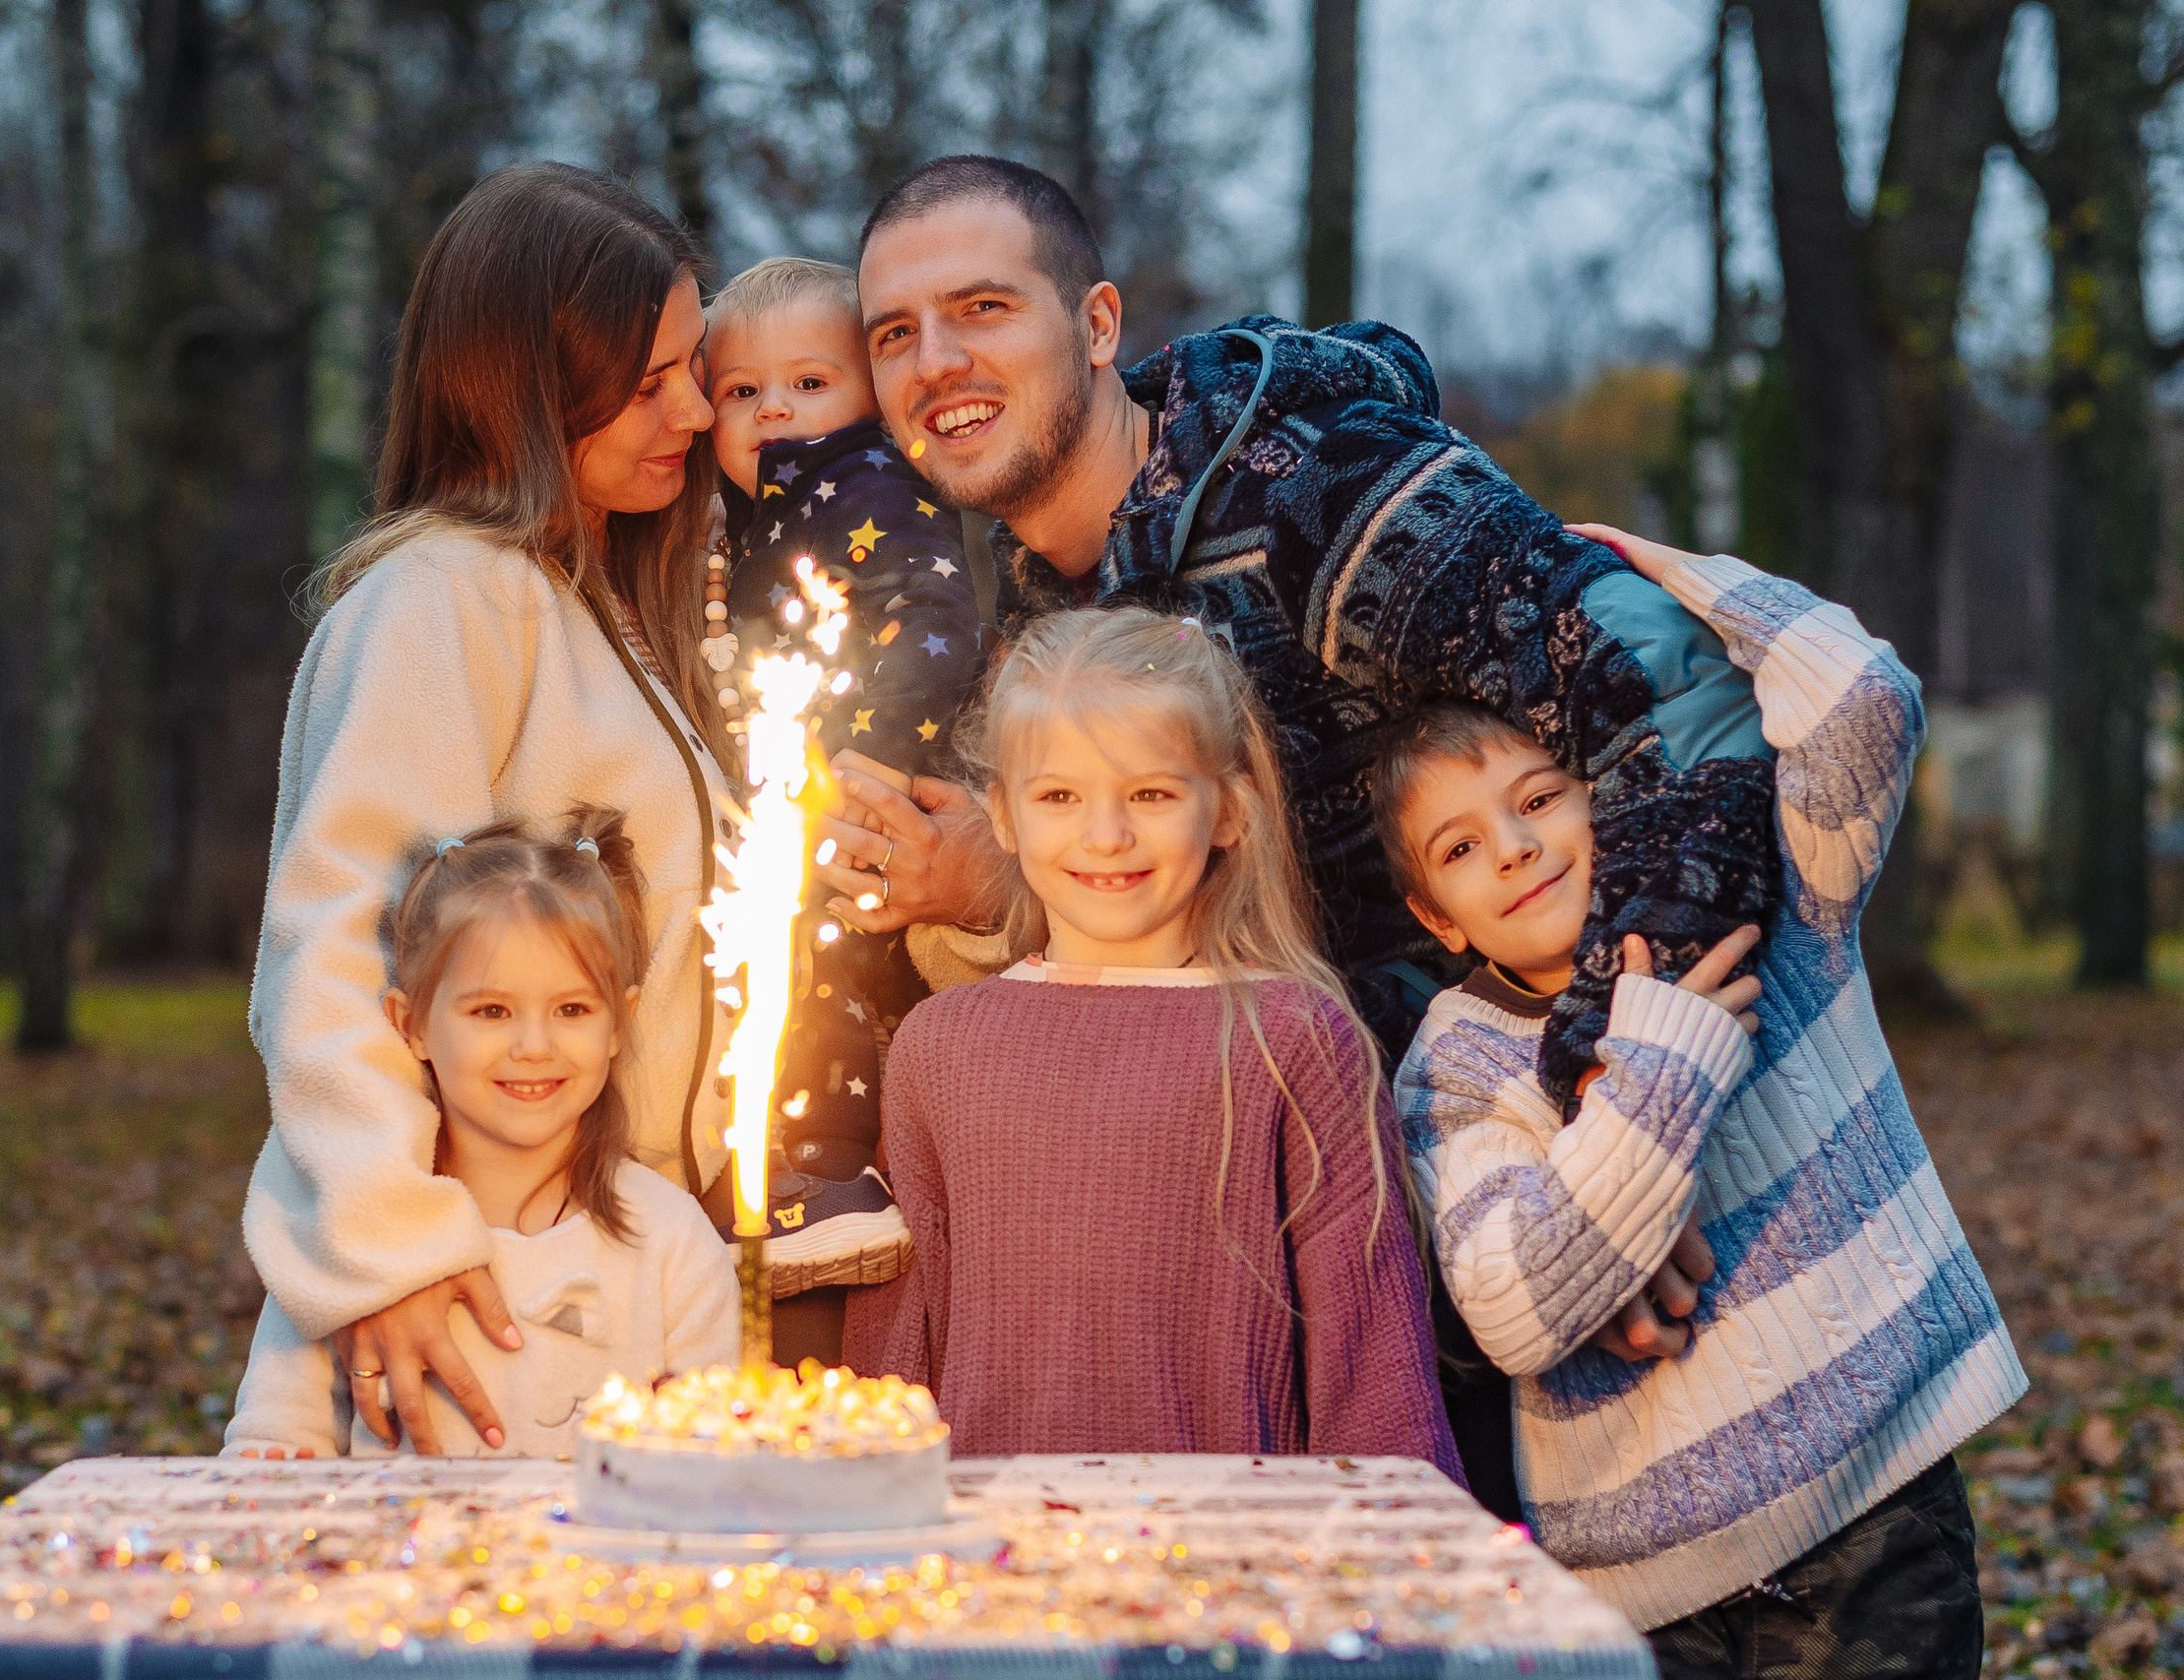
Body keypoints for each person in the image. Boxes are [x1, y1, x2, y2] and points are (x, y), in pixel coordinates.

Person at [819, 154, 1782, 1519]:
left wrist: (1607, 1105)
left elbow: (1671, 705)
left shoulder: (1317, 499)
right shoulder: (1036, 613)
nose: (934, 361)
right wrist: (993, 890)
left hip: (1612, 1228)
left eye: (981, 307)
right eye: (893, 333)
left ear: (1096, 326)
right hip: (1376, 1258)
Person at [1384, 526, 2025, 1676]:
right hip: (1648, 1589)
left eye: (1541, 796)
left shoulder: (1766, 889)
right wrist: (1666, 1050)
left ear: (1606, 787)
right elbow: (1518, 1304)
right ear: (1438, 918)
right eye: (1463, 846)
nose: (1519, 848)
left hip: (1872, 1512)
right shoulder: (1453, 1064)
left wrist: (1663, 579)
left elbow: (1863, 700)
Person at [241, 161, 741, 1457]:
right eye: (649, 382)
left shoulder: (603, 605)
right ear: (528, 391)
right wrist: (390, 1244)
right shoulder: (446, 602)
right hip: (479, 1302)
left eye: (694, 363)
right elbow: (344, 935)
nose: (695, 405)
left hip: (624, 1264)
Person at [842, 606, 1461, 1474]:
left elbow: (1373, 1374)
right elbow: (896, 1356)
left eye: (1151, 794)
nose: (1106, 835)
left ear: (1230, 811)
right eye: (1059, 795)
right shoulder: (938, 1048)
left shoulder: (1295, 1039)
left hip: (1231, 1575)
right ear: (1004, 817)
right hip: (996, 1575)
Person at [226, 816, 738, 1459]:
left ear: (620, 1022)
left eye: (572, 1009)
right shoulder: (356, 1234)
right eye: (491, 1010)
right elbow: (274, 1445)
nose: (534, 1045)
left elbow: (714, 1470)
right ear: (410, 1024)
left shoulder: (669, 1241)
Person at [688, 256, 989, 1299]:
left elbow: (935, 619)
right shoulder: (766, 510)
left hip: (864, 788)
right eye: (741, 391)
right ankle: (799, 1163)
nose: (775, 408)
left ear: (869, 396)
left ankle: (824, 1174)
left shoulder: (857, 484)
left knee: (815, 964)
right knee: (804, 968)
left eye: (810, 383)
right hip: (808, 789)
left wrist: (854, 764)